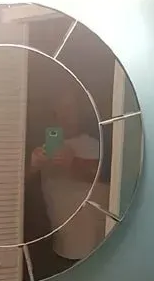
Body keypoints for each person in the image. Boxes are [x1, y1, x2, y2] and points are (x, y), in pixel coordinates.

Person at [29, 85, 104, 261]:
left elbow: (106, 176)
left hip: (92, 246)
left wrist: (73, 162)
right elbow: (13, 190)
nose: (65, 115)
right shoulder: (44, 148)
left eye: (70, 108)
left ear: (79, 112)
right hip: (61, 245)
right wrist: (32, 166)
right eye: (60, 109)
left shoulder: (92, 144)